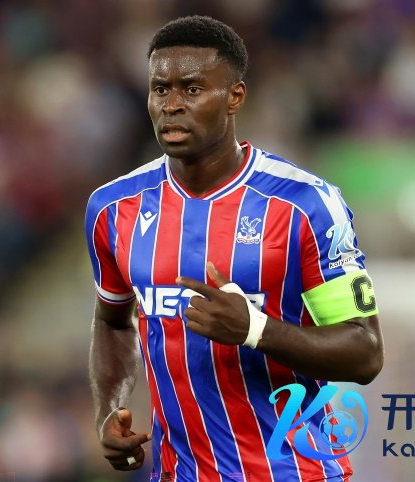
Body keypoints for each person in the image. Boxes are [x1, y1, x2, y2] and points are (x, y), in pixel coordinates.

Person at [84, 15, 383, 482]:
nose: (172, 105)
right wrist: (110, 408)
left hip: (295, 472)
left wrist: (256, 329)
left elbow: (365, 352)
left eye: (192, 89)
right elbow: (112, 320)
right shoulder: (113, 208)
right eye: (160, 90)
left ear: (234, 97)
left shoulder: (304, 205)